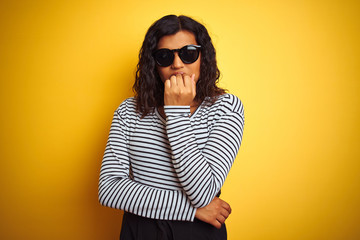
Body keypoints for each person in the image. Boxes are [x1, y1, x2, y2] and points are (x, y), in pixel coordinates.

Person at [98, 15, 244, 240]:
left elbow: (203, 193)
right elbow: (109, 189)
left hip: (198, 233)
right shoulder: (128, 111)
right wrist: (192, 210)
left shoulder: (226, 108)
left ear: (203, 57)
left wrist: (176, 113)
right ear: (153, 65)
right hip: (141, 229)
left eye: (188, 53)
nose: (177, 64)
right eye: (164, 56)